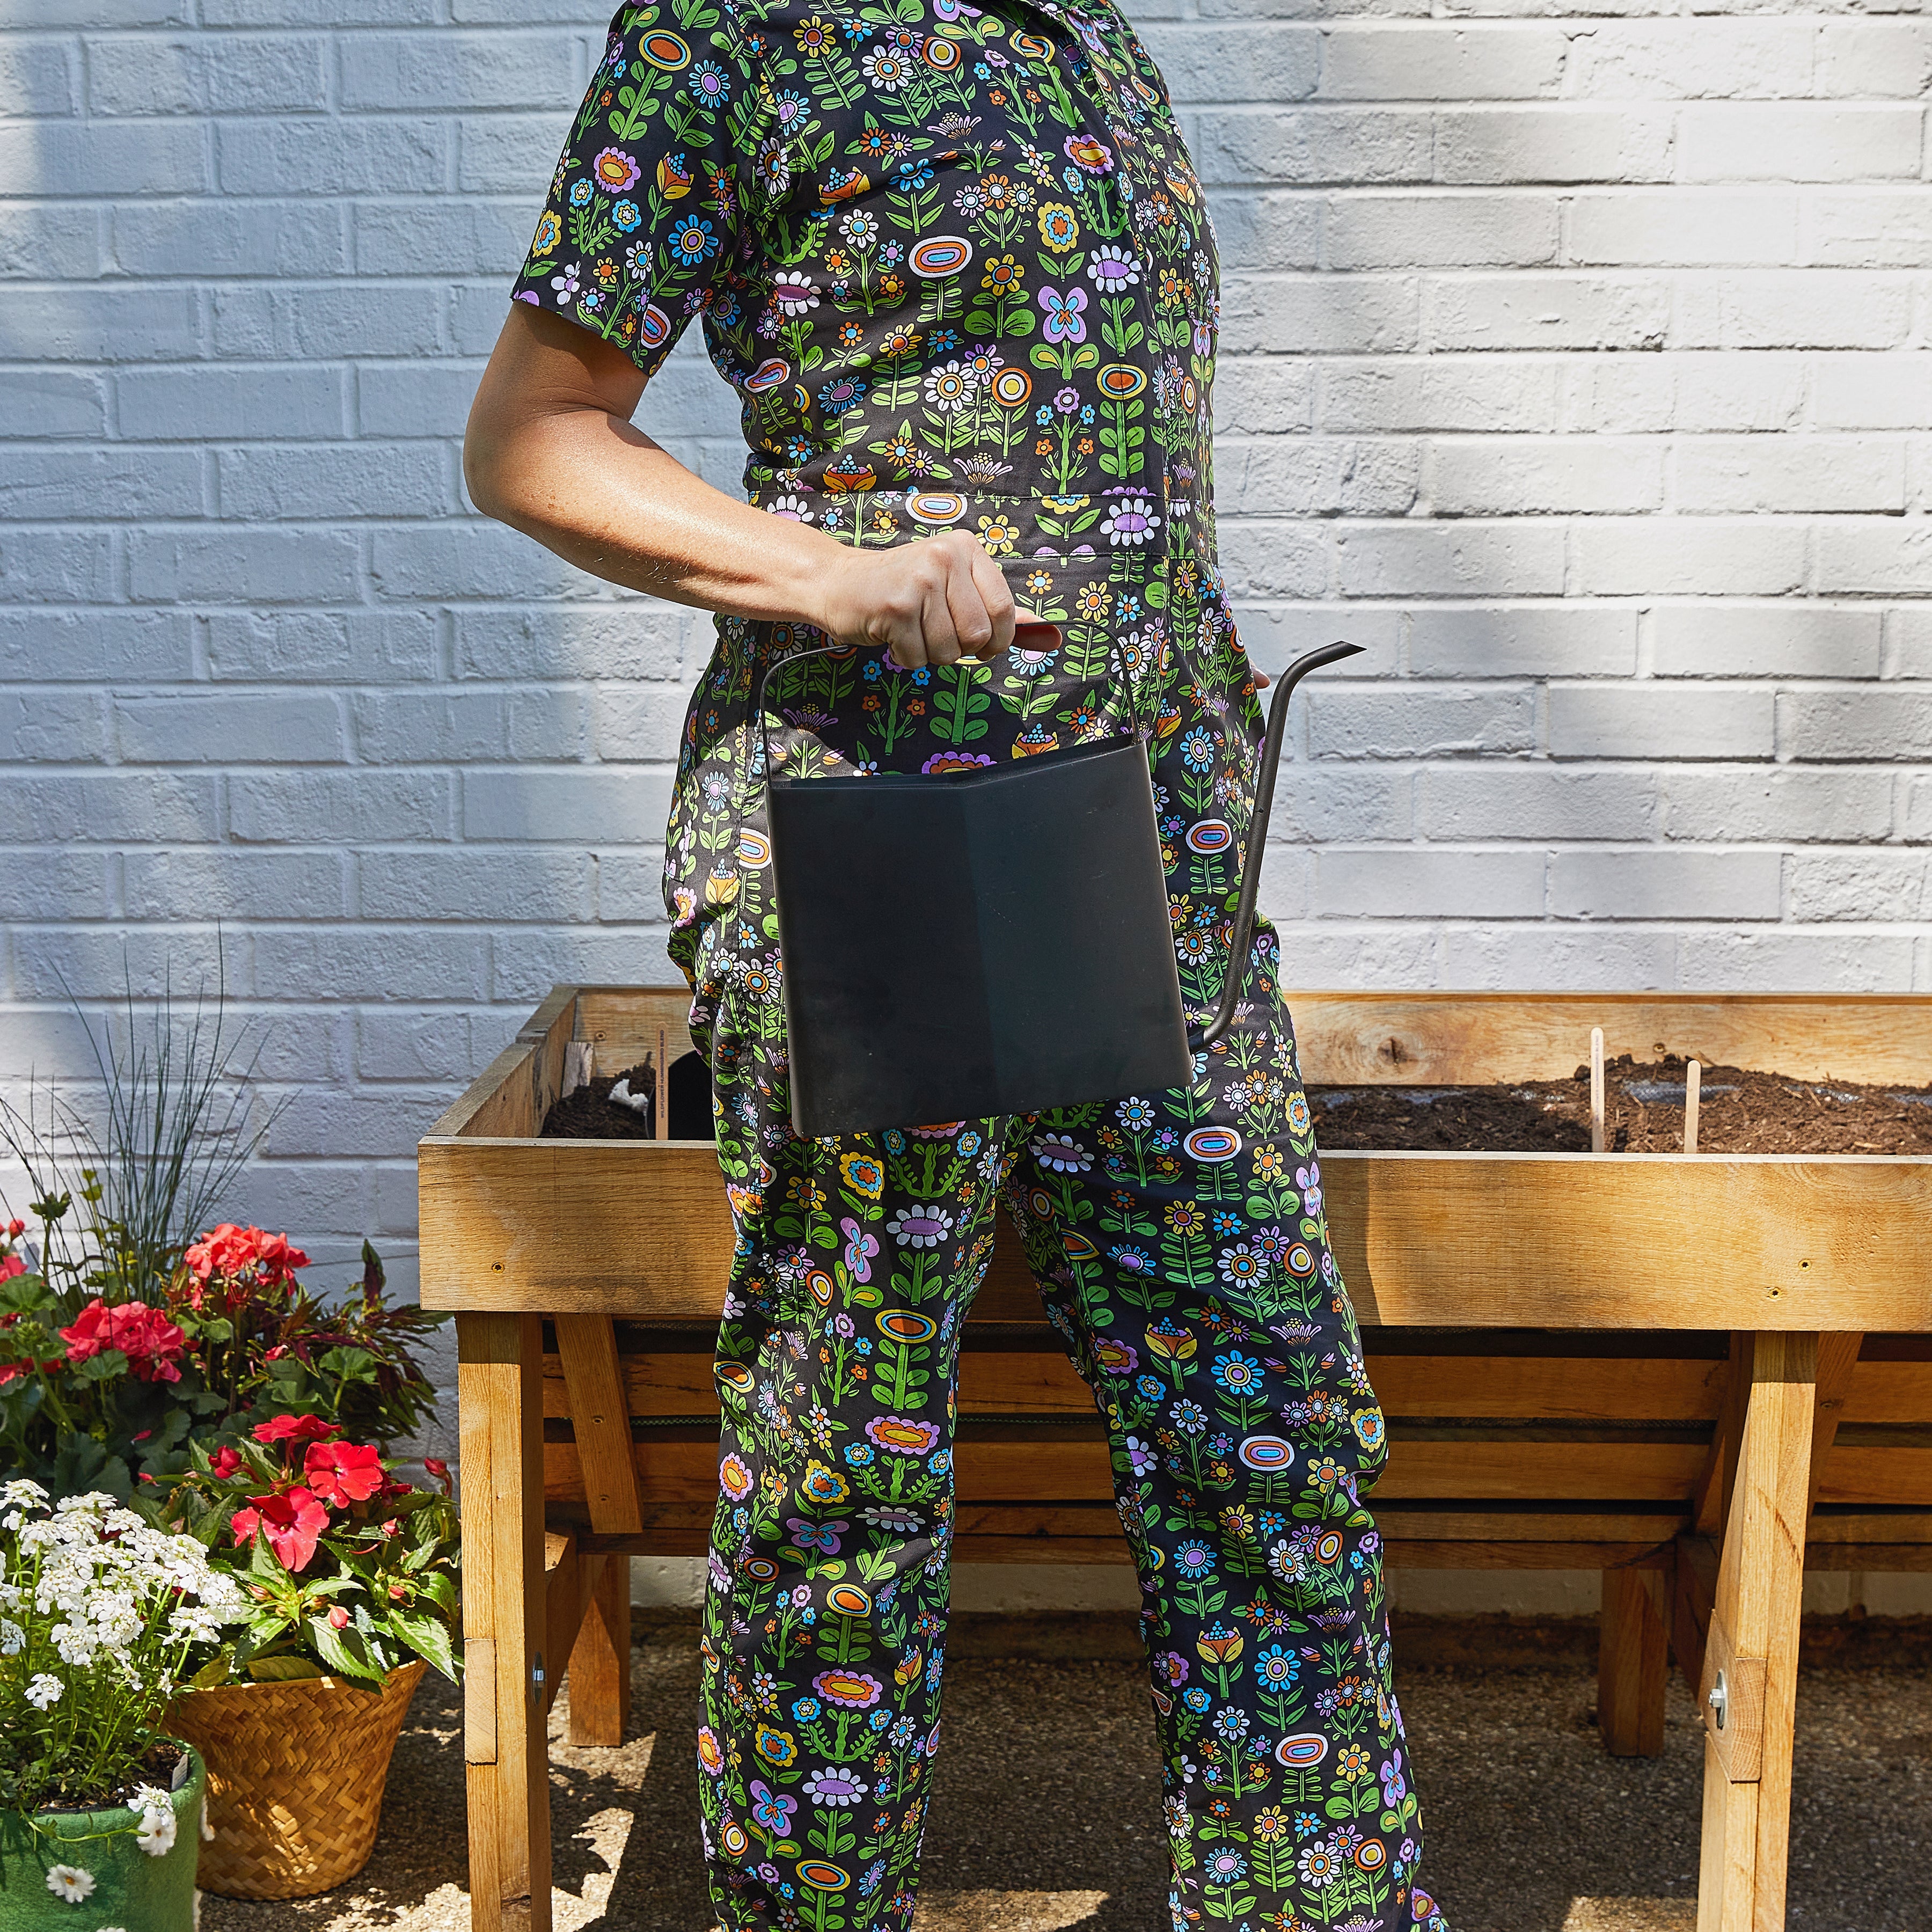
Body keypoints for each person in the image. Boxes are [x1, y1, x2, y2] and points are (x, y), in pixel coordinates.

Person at [465, 1, 1447, 1925]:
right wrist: (828, 573)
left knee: (1270, 1435)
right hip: (882, 852)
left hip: (1152, 871)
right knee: (851, 1460)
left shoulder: (1094, 36)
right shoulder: (730, 35)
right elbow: (530, 438)